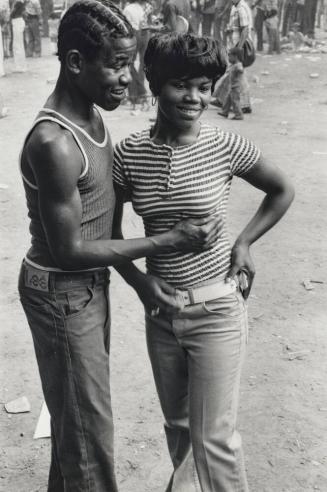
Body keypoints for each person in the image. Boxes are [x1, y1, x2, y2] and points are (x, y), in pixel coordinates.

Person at [18, 2, 222, 490]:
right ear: (74, 63)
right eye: (115, 64)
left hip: (87, 289)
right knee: (90, 441)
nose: (127, 79)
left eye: (129, 63)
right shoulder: (55, 143)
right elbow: (69, 249)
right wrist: (165, 240)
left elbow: (102, 224)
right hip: (62, 293)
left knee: (76, 426)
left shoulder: (92, 115)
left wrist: (139, 280)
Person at [113, 32, 295, 491]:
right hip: (162, 313)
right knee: (178, 426)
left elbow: (281, 190)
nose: (194, 97)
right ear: (153, 82)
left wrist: (245, 242)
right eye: (181, 84)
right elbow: (107, 234)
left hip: (217, 310)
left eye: (203, 85)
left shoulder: (224, 144)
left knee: (214, 439)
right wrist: (137, 282)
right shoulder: (129, 154)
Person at [218, 46, 244, 119]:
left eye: (230, 56)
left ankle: (239, 115)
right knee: (227, 100)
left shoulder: (238, 65)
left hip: (236, 87)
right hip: (232, 86)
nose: (229, 59)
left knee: (235, 101)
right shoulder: (233, 65)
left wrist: (239, 70)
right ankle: (225, 112)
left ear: (236, 56)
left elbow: (241, 69)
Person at [10, 0, 27, 72]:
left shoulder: (17, 4)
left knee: (17, 46)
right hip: (19, 22)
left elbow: (11, 14)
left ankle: (19, 66)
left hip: (17, 22)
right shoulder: (20, 4)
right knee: (19, 45)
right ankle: (21, 65)